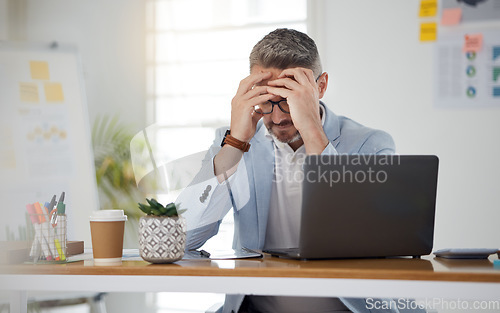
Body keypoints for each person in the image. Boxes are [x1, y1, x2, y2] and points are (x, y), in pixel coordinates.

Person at [177, 28, 423, 313]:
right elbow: (183, 238)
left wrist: (312, 133)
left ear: (320, 87)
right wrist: (236, 142)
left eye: (288, 100)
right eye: (267, 101)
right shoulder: (235, 141)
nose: (278, 117)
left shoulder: (371, 144)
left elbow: (373, 243)